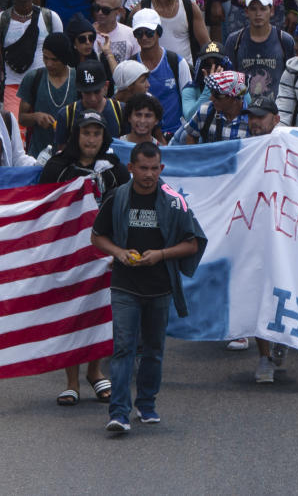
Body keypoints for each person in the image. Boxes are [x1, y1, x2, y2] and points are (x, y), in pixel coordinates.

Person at [90, 141, 207, 433]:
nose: (149, 174)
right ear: (131, 168)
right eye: (143, 168)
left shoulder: (173, 201)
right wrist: (118, 253)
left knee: (153, 350)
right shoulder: (117, 197)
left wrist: (161, 255)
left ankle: (146, 404)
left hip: (160, 287)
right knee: (123, 349)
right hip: (125, 286)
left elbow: (192, 243)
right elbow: (97, 236)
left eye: (155, 168)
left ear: (162, 169)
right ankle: (118, 412)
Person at [41, 111, 129, 407]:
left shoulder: (115, 169)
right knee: (72, 312)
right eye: (86, 133)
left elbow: (126, 206)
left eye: (96, 134)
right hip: (70, 253)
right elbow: (44, 208)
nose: (91, 140)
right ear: (76, 136)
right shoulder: (58, 168)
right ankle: (71, 382)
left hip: (105, 251)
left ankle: (95, 371)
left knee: (101, 311)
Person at [223, 0, 295, 105]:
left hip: (276, 109)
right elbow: (228, 78)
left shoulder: (285, 40)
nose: (258, 14)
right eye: (253, 9)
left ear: (271, 11)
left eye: (263, 9)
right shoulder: (234, 41)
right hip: (244, 109)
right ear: (246, 12)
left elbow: (293, 79)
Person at [130, 8, 196, 137]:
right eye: (139, 33)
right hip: (142, 136)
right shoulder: (131, 66)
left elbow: (189, 103)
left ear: (158, 32)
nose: (144, 37)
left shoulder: (177, 63)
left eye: (149, 33)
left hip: (175, 136)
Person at [17, 31, 79, 158]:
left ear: (64, 58)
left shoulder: (78, 79)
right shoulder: (33, 78)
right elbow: (22, 118)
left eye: (54, 60)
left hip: (71, 156)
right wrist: (36, 117)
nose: (49, 64)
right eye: (45, 57)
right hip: (38, 155)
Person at [52, 61, 126, 148]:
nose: (92, 98)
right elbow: (61, 152)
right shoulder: (66, 115)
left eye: (97, 92)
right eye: (87, 93)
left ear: (106, 86)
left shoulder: (121, 110)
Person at [175, 68, 251, 144]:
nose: (211, 98)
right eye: (211, 92)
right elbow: (191, 135)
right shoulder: (205, 111)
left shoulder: (252, 119)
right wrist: (194, 154)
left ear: (234, 98)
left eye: (217, 95)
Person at [93, 0, 140, 65]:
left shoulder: (132, 35)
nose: (100, 12)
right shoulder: (86, 34)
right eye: (97, 8)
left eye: (105, 10)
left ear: (119, 11)